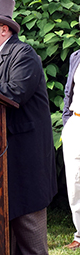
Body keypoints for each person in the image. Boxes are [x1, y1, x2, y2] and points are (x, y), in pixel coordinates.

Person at [0, 0, 57, 255]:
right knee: (1, 240)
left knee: (30, 240)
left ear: (4, 29)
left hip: (24, 162)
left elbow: (13, 93)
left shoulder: (24, 54)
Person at [62, 49, 80, 250]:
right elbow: (69, 91)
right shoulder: (76, 56)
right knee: (74, 182)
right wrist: (67, 121)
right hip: (76, 122)